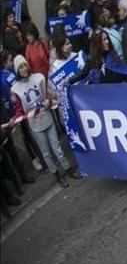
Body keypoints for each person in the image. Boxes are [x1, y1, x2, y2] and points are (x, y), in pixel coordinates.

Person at [10, 55, 80, 187]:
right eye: (20, 67)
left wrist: (48, 101)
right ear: (16, 70)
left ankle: (68, 168)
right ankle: (57, 175)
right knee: (46, 153)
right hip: (35, 124)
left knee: (57, 147)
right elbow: (19, 110)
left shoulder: (39, 78)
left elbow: (47, 95)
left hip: (47, 117)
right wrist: (14, 119)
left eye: (24, 65)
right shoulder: (15, 89)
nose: (24, 68)